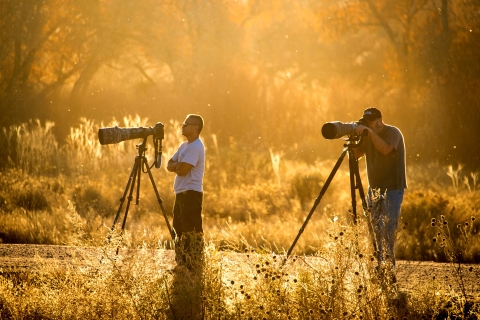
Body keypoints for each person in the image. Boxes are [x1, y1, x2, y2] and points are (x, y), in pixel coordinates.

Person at [354, 107, 407, 270]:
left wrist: (369, 132)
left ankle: (388, 268)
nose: (368, 124)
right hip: (374, 189)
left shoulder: (393, 133)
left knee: (388, 231)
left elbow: (385, 149)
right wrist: (354, 138)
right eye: (366, 121)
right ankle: (378, 265)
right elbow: (356, 155)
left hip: (392, 189)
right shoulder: (368, 134)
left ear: (379, 120)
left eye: (371, 121)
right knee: (375, 229)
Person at [167, 114, 205, 268]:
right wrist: (178, 165)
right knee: (178, 230)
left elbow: (181, 170)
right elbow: (169, 165)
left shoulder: (196, 147)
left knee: (191, 232)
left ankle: (193, 266)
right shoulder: (184, 146)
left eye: (186, 124)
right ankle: (181, 265)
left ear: (195, 128)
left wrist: (178, 165)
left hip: (191, 193)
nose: (182, 126)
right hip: (181, 193)